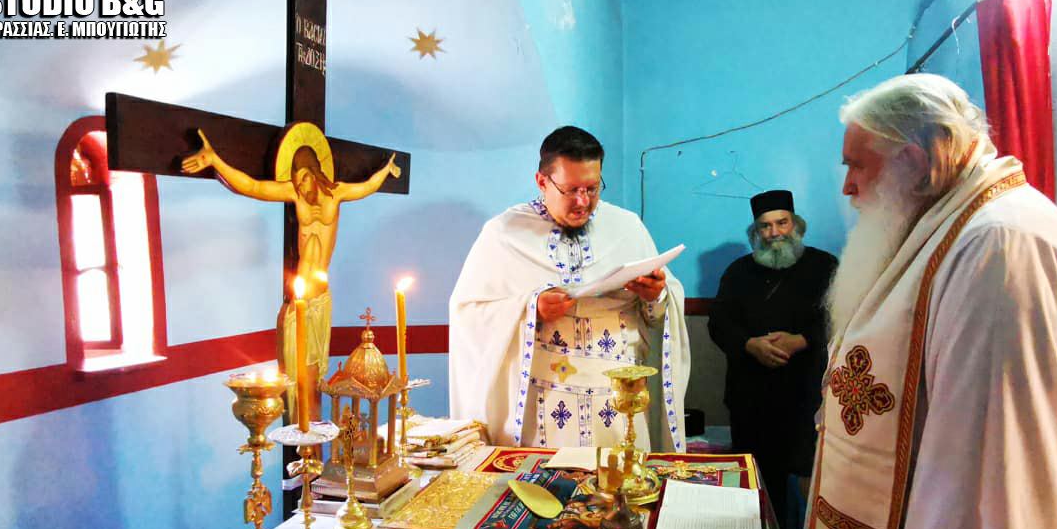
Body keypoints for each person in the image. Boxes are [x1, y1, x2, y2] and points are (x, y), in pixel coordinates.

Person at [793, 74, 1057, 529]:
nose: (848, 186)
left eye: (858, 165)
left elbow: (986, 433)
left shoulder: (999, 240)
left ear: (913, 159)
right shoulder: (949, 224)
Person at [448, 126, 690, 450]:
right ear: (542, 182)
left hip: (619, 408)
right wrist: (532, 307)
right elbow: (468, 314)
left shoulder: (627, 227)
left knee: (622, 478)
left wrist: (654, 296)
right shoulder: (503, 233)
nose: (582, 202)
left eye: (592, 188)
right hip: (543, 411)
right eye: (571, 190)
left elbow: (660, 311)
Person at [181, 124, 401, 420]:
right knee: (294, 378)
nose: (300, 186)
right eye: (296, 179)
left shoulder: (337, 193)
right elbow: (253, 186)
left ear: (313, 172)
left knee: (314, 376)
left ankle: (311, 434)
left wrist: (386, 170)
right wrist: (215, 161)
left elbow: (367, 186)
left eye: (303, 178)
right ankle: (302, 434)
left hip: (320, 300)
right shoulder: (295, 193)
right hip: (298, 303)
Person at [708, 189, 837, 529]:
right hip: (751, 402)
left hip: (805, 402)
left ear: (796, 225)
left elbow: (840, 315)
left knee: (802, 490)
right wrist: (750, 345)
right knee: (755, 488)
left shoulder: (824, 266)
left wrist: (802, 340)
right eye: (765, 226)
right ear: (756, 232)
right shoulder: (738, 272)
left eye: (782, 223)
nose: (775, 232)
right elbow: (718, 323)